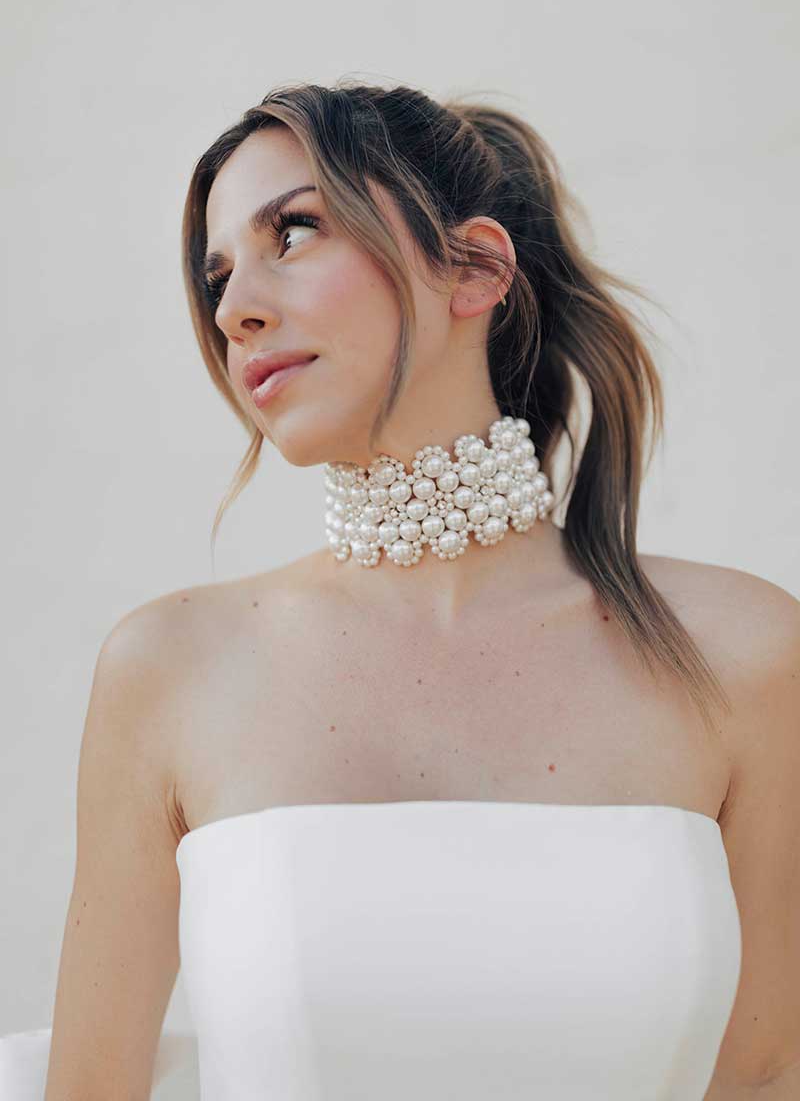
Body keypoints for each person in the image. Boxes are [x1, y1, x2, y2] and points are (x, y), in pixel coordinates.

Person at [7, 82, 797, 1099]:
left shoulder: (742, 654)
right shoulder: (167, 671)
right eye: (216, 277)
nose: (233, 308)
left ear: (471, 268)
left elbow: (767, 1072)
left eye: (291, 231)